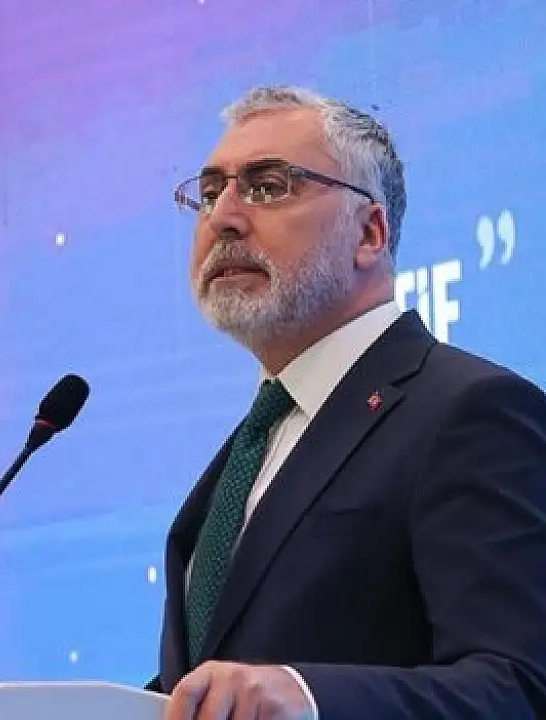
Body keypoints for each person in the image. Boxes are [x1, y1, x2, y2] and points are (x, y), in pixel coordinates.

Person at [151, 85, 546, 718]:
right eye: (210, 191)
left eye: (267, 186)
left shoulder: (470, 412)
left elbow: (522, 686)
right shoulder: (250, 450)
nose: (223, 217)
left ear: (369, 232)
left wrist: (308, 697)